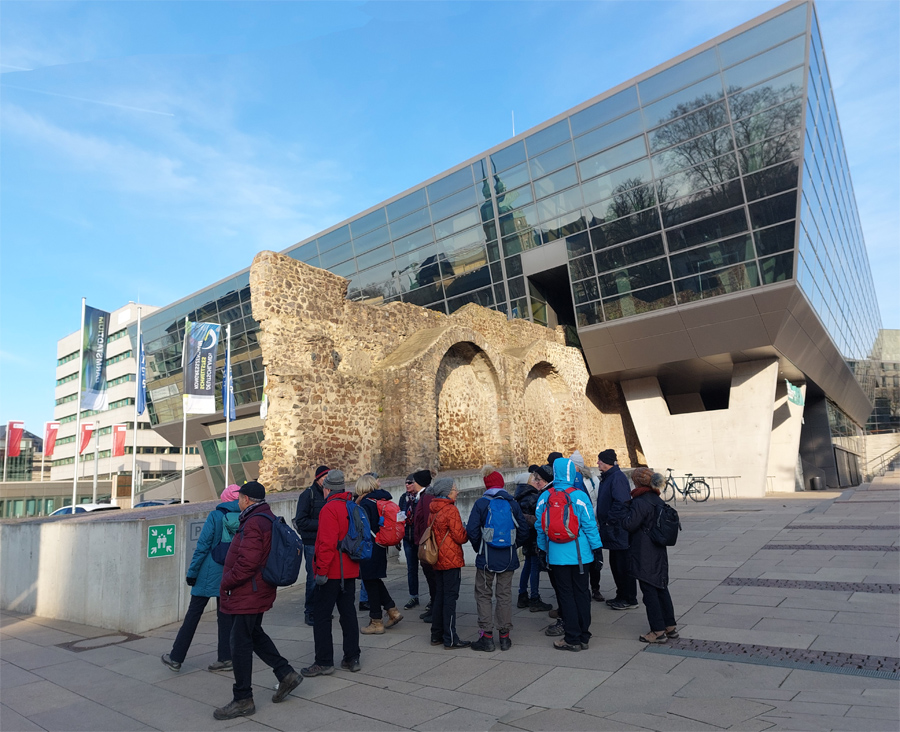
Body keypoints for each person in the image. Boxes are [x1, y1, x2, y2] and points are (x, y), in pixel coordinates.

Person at [214, 482, 301, 720]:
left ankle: (243, 698)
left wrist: (226, 582)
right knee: (254, 634)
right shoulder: (264, 517)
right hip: (257, 589)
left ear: (246, 499)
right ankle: (285, 673)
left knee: (239, 642)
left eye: (240, 498)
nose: (238, 501)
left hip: (248, 591)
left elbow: (248, 562)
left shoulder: (253, 523)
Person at [162, 484, 240, 674]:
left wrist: (192, 573)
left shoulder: (215, 516)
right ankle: (226, 657)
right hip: (230, 572)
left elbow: (203, 547)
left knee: (193, 615)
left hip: (208, 572)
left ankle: (176, 657)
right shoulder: (245, 516)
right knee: (226, 616)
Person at [535, 458, 602, 652]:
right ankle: (584, 636)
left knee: (565, 596)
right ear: (572, 473)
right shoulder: (579, 496)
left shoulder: (545, 497)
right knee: (582, 594)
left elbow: (540, 528)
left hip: (556, 555)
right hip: (581, 555)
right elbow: (590, 526)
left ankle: (571, 637)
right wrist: (597, 550)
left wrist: (543, 550)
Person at [302, 469, 362, 677]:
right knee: (348, 614)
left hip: (333, 571)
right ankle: (352, 657)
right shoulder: (351, 505)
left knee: (321, 616)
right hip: (351, 569)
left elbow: (326, 545)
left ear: (327, 489)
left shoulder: (329, 509)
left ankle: (324, 661)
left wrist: (321, 571)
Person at [467, 468, 529, 652]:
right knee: (504, 595)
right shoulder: (512, 503)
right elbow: (524, 530)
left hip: (486, 557)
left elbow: (471, 530)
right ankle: (504, 637)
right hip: (508, 558)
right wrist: (512, 545)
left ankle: (486, 637)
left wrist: (480, 547)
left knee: (484, 594)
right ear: (501, 484)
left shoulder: (481, 503)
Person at [623, 470, 679, 644]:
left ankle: (657, 631)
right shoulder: (656, 498)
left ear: (638, 483)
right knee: (661, 587)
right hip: (657, 549)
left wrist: (624, 512)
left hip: (644, 551)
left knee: (649, 591)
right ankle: (669, 625)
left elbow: (629, 525)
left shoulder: (640, 502)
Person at [355, 474, 403, 634]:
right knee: (374, 581)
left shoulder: (365, 503)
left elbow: (362, 528)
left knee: (370, 583)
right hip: (379, 545)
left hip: (369, 547)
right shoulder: (379, 500)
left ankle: (376, 621)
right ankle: (392, 610)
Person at [426, 478, 471, 649]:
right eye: (454, 489)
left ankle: (436, 634)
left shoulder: (433, 508)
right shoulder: (450, 510)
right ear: (447, 491)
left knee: (440, 596)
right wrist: (466, 531)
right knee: (450, 599)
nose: (456, 491)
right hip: (450, 559)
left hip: (437, 557)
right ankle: (450, 637)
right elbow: (460, 536)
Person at [596, 449, 638, 611]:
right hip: (613, 530)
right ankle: (622, 595)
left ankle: (629, 598)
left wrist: (609, 521)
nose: (598, 463)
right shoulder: (610, 477)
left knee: (623, 565)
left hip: (617, 530)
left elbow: (622, 503)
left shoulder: (616, 478)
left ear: (606, 462)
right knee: (616, 564)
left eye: (600, 460)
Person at [293, 464, 330, 626]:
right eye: (324, 478)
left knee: (327, 578)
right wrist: (323, 523)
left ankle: (322, 609)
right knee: (313, 579)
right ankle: (310, 611)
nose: (327, 481)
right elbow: (301, 521)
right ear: (318, 479)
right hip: (311, 543)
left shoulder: (330, 494)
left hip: (326, 542)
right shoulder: (307, 495)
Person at [514, 473, 552, 612]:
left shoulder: (519, 496)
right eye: (533, 479)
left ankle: (522, 594)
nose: (536, 481)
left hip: (526, 536)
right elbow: (540, 517)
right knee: (534, 566)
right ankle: (534, 597)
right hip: (535, 536)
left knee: (528, 565)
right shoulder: (532, 497)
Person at [570, 451, 604, 603]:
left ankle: (595, 588)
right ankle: (583, 589)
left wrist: (592, 516)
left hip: (592, 522)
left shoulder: (591, 479)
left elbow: (598, 499)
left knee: (594, 557)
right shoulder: (569, 480)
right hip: (576, 526)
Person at [410, 469, 437, 622]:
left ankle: (435, 609)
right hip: (422, 542)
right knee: (430, 578)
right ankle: (433, 606)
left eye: (413, 481)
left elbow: (427, 522)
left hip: (426, 544)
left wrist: (423, 542)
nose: (412, 484)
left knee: (432, 578)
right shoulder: (422, 496)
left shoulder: (426, 498)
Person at [398, 473, 423, 609]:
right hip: (407, 538)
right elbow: (400, 516)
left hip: (419, 539)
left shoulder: (420, 499)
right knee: (411, 569)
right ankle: (413, 596)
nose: (407, 485)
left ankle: (433, 598)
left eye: (410, 482)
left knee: (427, 569)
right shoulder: (403, 498)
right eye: (406, 483)